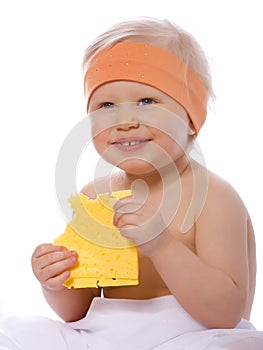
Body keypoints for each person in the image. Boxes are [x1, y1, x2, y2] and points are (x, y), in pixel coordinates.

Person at [1, 16, 263, 350]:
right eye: (107, 105)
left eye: (147, 101)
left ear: (191, 119)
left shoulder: (213, 196)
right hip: (103, 335)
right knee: (13, 332)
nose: (125, 121)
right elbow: (76, 312)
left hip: (191, 336)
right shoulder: (95, 196)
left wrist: (164, 247)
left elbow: (226, 314)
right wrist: (57, 283)